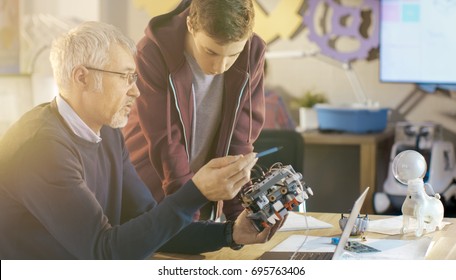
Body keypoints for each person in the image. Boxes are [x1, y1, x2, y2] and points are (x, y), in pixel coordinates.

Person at [0, 21, 283, 260]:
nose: (136, 91)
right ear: (82, 78)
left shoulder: (108, 133)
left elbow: (151, 226)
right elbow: (103, 253)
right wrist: (196, 191)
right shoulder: (41, 149)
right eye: (125, 77)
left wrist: (230, 232)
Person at [122, 0, 266, 221]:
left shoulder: (252, 52)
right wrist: (189, 216)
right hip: (148, 192)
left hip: (204, 200)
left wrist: (239, 214)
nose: (220, 67)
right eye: (211, 51)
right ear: (191, 25)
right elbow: (167, 145)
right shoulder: (151, 52)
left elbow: (239, 141)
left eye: (233, 54)